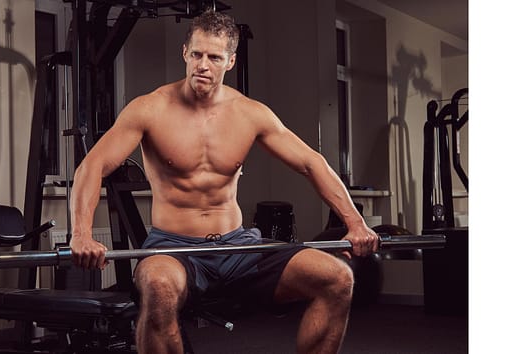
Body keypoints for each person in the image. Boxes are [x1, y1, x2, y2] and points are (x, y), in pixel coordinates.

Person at [69, 10, 379, 354]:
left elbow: (310, 163)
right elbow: (91, 167)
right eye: (197, 54)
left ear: (230, 61)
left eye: (214, 57)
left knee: (337, 278)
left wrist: (355, 223)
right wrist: (81, 232)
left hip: (239, 248)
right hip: (174, 249)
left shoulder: (250, 113)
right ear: (185, 52)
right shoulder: (149, 109)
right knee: (157, 286)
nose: (203, 64)